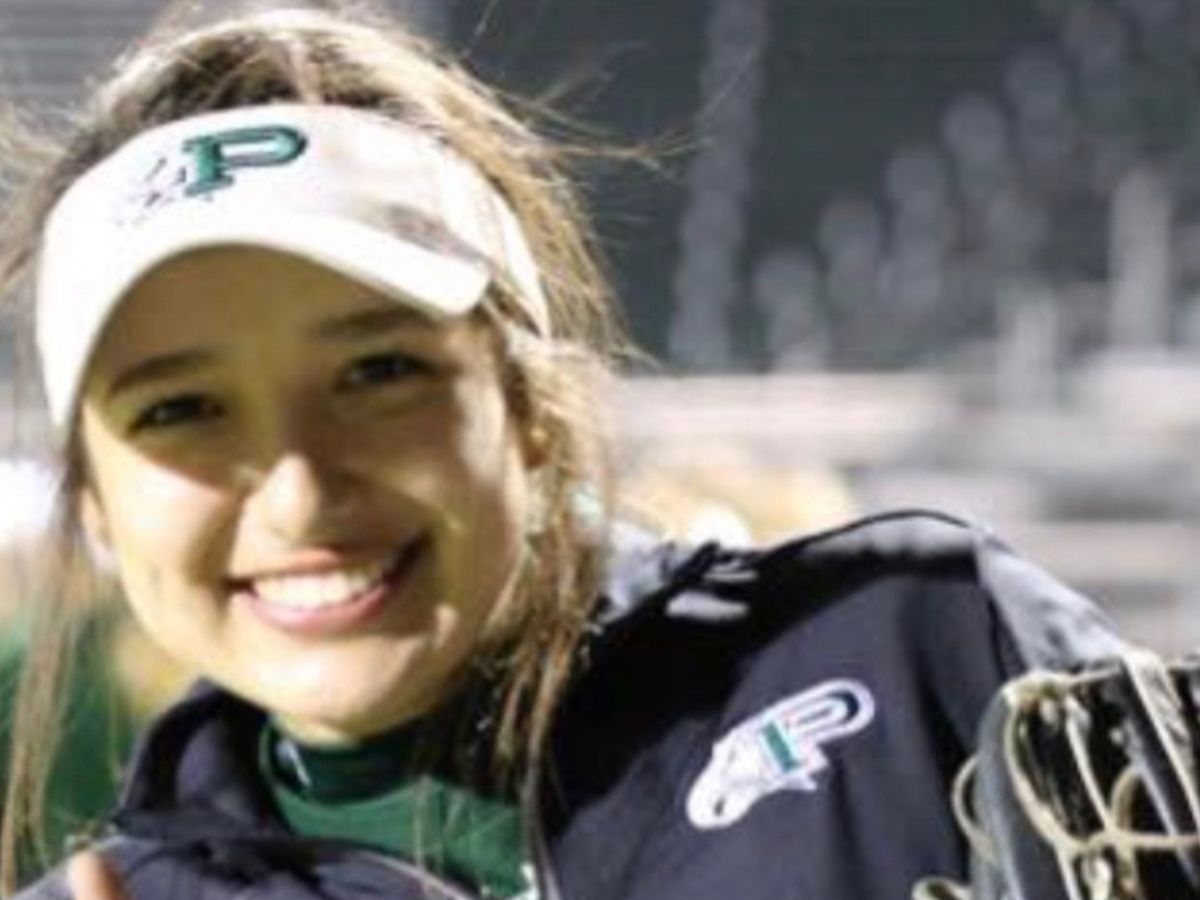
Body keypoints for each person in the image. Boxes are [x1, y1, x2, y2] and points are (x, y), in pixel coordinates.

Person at [0, 3, 1125, 898]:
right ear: (94, 501)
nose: (298, 493)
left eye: (378, 372)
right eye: (182, 409)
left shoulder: (919, 651)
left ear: (531, 405)